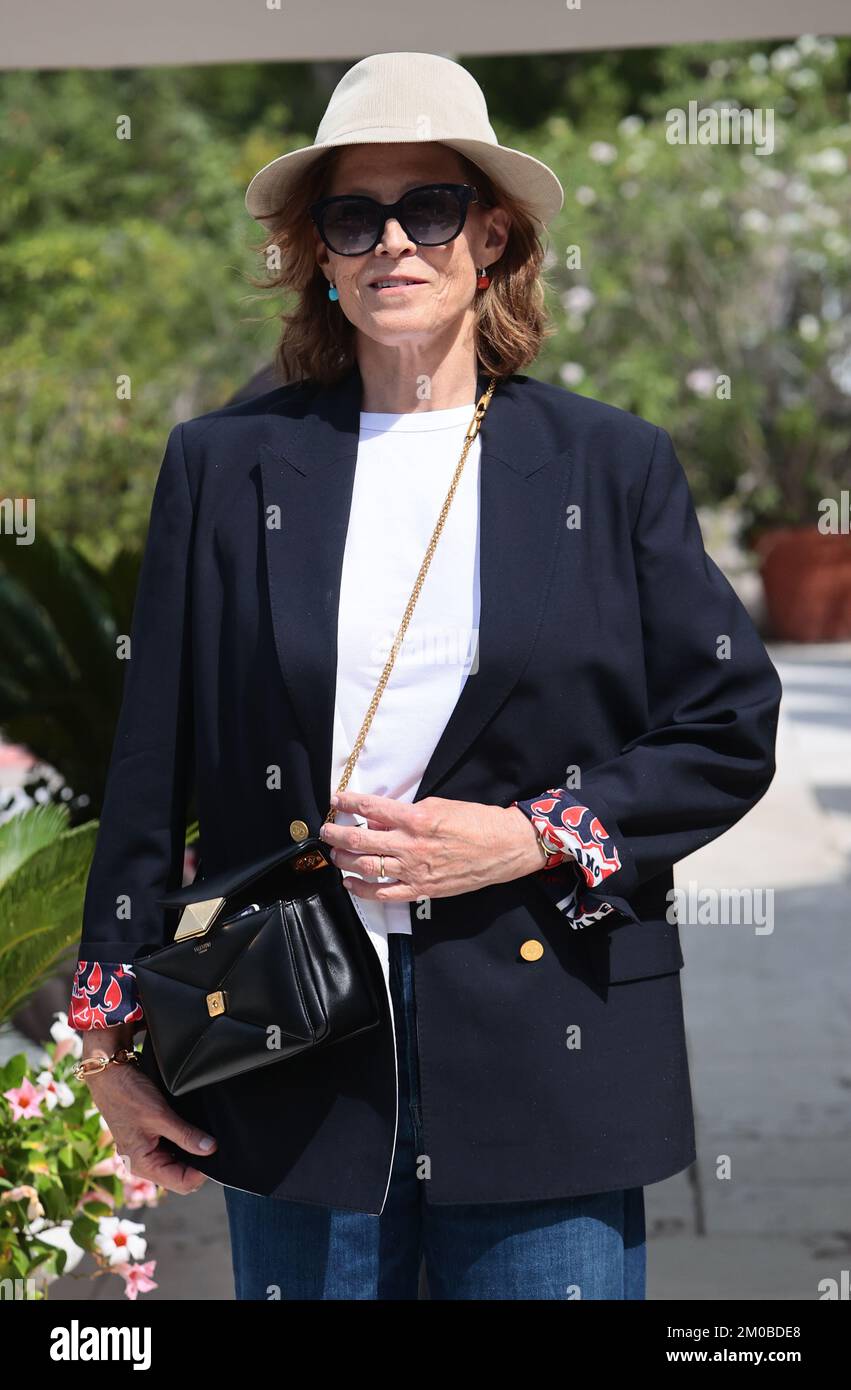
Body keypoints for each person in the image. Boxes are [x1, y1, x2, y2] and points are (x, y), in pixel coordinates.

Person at [67, 51, 782, 1301]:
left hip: (548, 1037)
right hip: (282, 1044)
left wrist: (529, 836)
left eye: (430, 209)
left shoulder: (606, 466)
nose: (392, 241)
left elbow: (728, 717)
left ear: (491, 236)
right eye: (354, 217)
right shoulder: (225, 468)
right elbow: (149, 764)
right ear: (321, 255)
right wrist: (110, 1047)